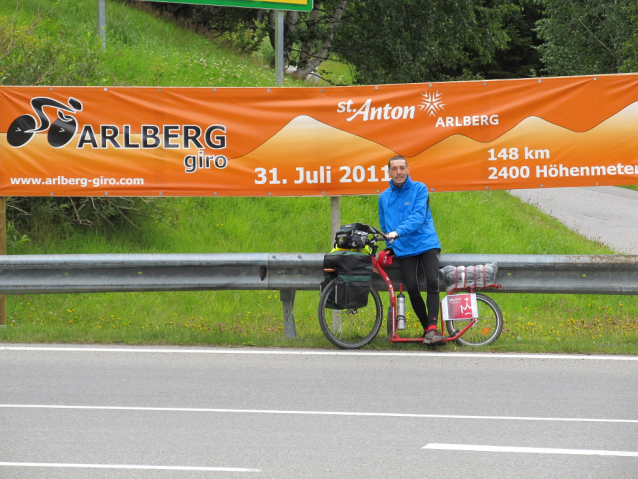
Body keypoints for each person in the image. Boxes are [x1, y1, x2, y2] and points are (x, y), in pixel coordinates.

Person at [378, 155, 444, 345]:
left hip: (426, 242)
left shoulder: (419, 189)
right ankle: (428, 330)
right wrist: (391, 244)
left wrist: (397, 232)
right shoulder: (384, 197)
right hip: (403, 247)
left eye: (402, 168)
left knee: (432, 281)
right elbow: (384, 224)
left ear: (408, 170)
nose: (398, 172)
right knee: (412, 288)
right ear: (389, 172)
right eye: (394, 169)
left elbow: (418, 217)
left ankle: (432, 328)